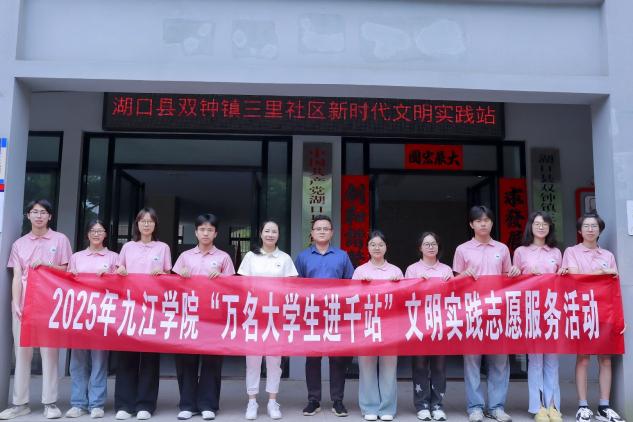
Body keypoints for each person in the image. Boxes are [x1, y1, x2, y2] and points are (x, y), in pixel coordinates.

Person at [0, 199, 72, 420]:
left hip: (51, 304)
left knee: (50, 353)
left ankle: (50, 403)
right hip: (24, 305)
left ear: (50, 216)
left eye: (43, 212)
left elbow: (68, 270)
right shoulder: (19, 244)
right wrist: (16, 303)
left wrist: (49, 265)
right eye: (34, 212)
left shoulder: (60, 240)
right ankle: (20, 403)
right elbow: (16, 276)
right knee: (22, 352)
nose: (39, 216)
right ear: (28, 216)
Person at [453, 205, 520, 422]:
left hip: (497, 311)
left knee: (499, 361)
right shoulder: (462, 249)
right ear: (471, 224)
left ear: (492, 223)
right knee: (472, 361)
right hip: (472, 311)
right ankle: (475, 407)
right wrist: (463, 275)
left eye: (487, 220)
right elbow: (454, 283)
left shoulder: (502, 249)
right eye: (478, 220)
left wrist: (515, 272)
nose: (483, 224)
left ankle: (497, 407)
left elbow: (507, 277)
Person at [562, 214, 626, 422]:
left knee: (606, 358)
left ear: (600, 230)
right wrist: (602, 272)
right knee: (583, 358)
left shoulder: (608, 255)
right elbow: (576, 277)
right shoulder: (571, 252)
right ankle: (582, 406)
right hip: (582, 311)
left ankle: (604, 407)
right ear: (579, 230)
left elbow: (614, 285)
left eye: (594, 226)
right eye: (586, 226)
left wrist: (619, 317)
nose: (590, 229)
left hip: (605, 311)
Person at [172, 214, 236, 421]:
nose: (206, 233)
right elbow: (171, 286)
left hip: (213, 317)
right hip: (188, 316)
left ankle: (208, 404)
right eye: (202, 229)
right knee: (186, 360)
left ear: (216, 233)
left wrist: (222, 278)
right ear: (196, 232)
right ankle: (187, 404)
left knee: (211, 361)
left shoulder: (224, 257)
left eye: (210, 230)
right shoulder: (185, 256)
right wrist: (180, 277)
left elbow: (233, 287)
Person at [114, 208, 172, 421]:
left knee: (149, 359)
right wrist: (120, 271)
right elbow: (118, 271)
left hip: (152, 310)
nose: (146, 224)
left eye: (150, 221)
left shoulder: (163, 247)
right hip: (129, 308)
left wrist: (162, 274)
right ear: (137, 224)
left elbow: (169, 276)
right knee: (126, 357)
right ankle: (124, 404)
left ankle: (145, 405)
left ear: (155, 225)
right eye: (142, 221)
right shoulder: (128, 247)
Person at [294, 215, 355, 417]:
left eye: (326, 228)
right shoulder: (303, 257)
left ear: (332, 232)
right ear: (312, 233)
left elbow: (351, 283)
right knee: (312, 358)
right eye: (318, 228)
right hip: (312, 314)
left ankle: (337, 400)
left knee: (337, 358)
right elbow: (296, 286)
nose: (322, 231)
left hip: (336, 314)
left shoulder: (342, 256)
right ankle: (314, 400)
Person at [237, 220, 298, 420]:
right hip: (254, 315)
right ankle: (252, 401)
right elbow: (242, 285)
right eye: (267, 231)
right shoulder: (250, 257)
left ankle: (272, 401)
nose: (270, 234)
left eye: (274, 231)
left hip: (276, 316)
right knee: (252, 360)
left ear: (278, 235)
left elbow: (292, 286)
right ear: (261, 233)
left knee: (274, 360)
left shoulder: (285, 258)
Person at [65, 219, 119, 419]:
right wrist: (71, 276)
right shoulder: (76, 257)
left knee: (99, 361)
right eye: (93, 231)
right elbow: (65, 285)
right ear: (87, 234)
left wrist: (113, 275)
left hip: (103, 315)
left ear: (106, 234)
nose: (96, 234)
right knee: (78, 362)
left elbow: (122, 285)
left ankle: (96, 403)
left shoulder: (114, 257)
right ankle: (78, 403)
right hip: (79, 315)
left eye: (100, 231)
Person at [512, 212, 563, 422]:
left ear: (550, 228)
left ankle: (553, 406)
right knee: (535, 361)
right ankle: (538, 406)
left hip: (552, 310)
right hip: (531, 310)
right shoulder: (521, 252)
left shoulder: (556, 252)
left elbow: (563, 281)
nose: (541, 227)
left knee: (552, 360)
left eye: (545, 224)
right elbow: (513, 282)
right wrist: (522, 274)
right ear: (530, 227)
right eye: (537, 223)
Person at [353, 230, 402, 422]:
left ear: (386, 247)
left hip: (390, 326)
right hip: (366, 325)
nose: (377, 248)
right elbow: (352, 299)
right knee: (367, 367)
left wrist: (398, 286)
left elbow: (404, 299)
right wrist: (361, 286)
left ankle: (387, 407)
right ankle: (369, 407)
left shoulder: (396, 271)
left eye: (380, 244)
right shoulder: (360, 271)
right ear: (367, 247)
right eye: (373, 244)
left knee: (389, 367)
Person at [405, 232, 453, 422]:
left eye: (434, 244)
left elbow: (455, 296)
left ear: (438, 247)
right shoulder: (412, 269)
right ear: (420, 247)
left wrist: (451, 283)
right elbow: (404, 296)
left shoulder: (446, 270)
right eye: (426, 244)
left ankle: (438, 405)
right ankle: (422, 405)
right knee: (420, 365)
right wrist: (416, 283)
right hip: (419, 324)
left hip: (440, 324)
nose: (430, 247)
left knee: (439, 366)